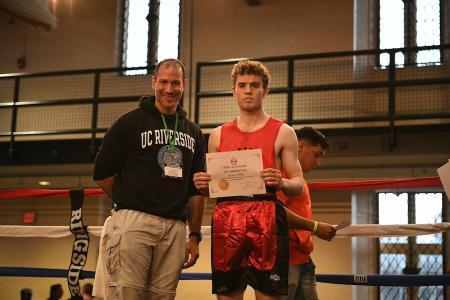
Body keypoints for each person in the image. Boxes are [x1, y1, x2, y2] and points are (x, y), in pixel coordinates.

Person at [193, 60, 335, 300]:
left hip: (267, 221)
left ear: (265, 90)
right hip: (227, 221)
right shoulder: (218, 135)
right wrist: (203, 186)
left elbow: (298, 183)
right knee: (227, 295)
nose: (248, 90)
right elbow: (214, 190)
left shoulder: (283, 132)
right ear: (234, 91)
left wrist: (281, 182)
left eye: (255, 85)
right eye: (242, 85)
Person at [92, 58, 206, 299]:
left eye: (175, 83)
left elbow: (197, 189)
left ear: (184, 85)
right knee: (125, 294)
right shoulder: (129, 123)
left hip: (175, 228)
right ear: (153, 83)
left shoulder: (193, 132)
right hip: (134, 223)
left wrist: (194, 235)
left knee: (163, 296)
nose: (169, 89)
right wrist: (131, 199)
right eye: (163, 82)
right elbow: (101, 174)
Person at [278, 127, 330, 300]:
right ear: (300, 147)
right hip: (286, 259)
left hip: (303, 259)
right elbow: (275, 212)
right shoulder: (282, 175)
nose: (318, 162)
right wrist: (315, 227)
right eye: (317, 154)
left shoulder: (297, 179)